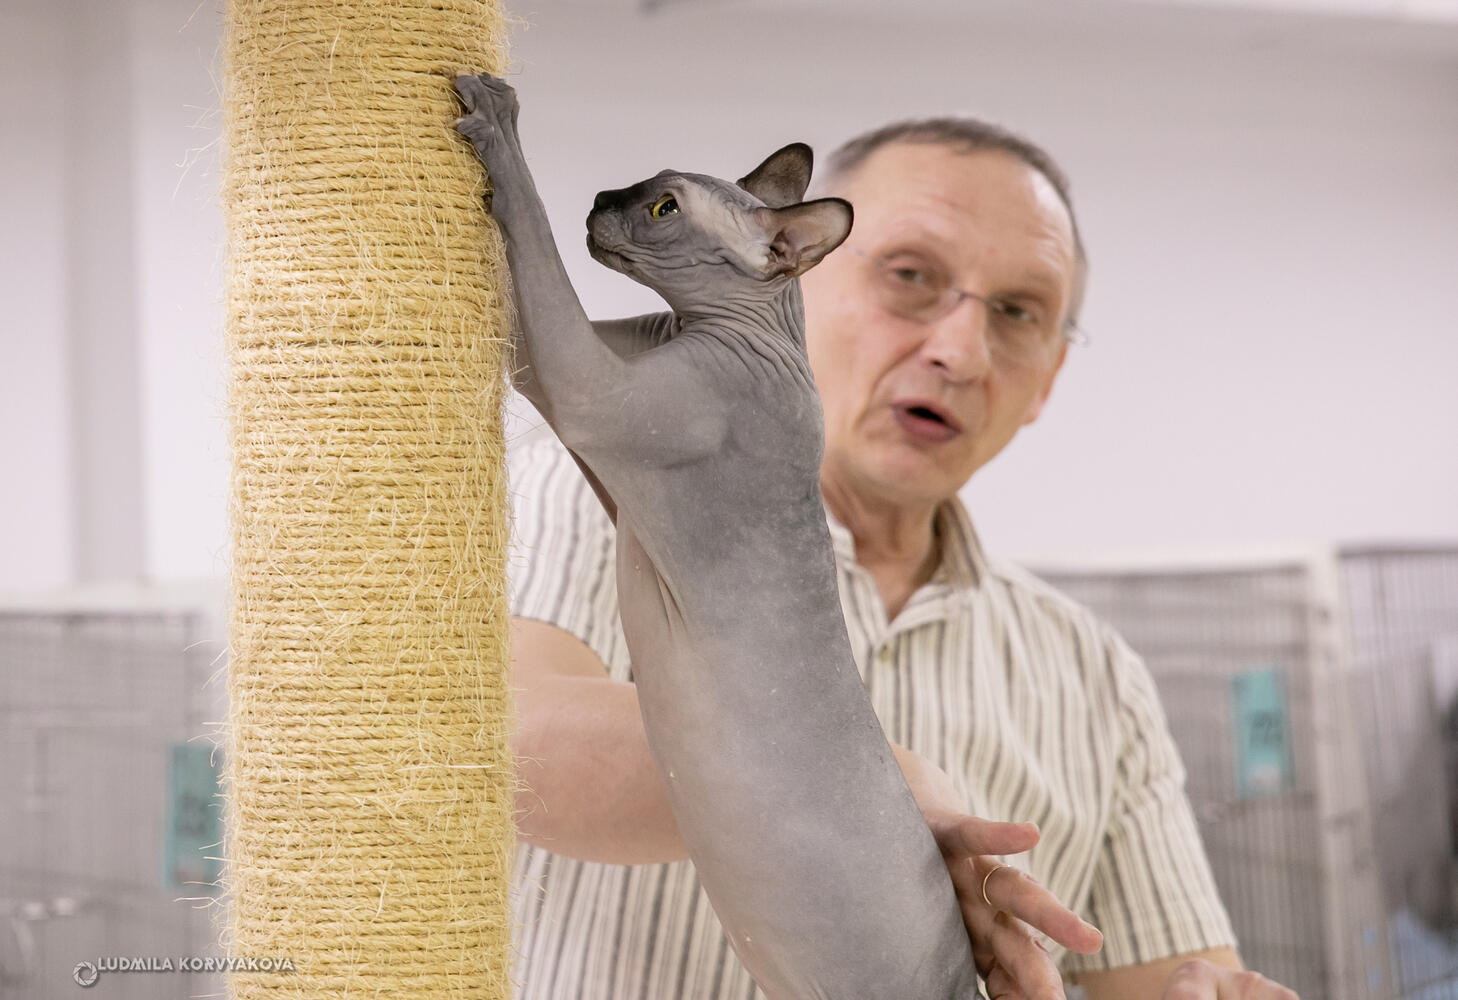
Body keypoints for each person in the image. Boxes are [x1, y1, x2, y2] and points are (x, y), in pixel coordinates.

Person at [504, 118, 1299, 999]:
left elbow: (1164, 980)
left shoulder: (1098, 675)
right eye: (910, 277)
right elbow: (505, 739)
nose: (959, 352)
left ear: (1049, 380)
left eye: (1018, 312)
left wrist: (1208, 991)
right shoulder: (589, 481)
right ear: (796, 268)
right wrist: (881, 796)